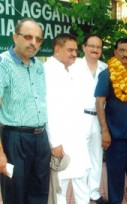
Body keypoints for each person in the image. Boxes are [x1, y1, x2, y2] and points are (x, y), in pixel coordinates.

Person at [0, 18, 50, 204]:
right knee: (15, 193)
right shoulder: (3, 64)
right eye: (28, 37)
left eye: (38, 39)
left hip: (41, 139)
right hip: (15, 140)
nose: (34, 43)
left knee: (39, 191)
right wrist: (0, 152)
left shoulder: (39, 66)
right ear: (15, 37)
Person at [95, 38, 127, 204]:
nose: (125, 54)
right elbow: (100, 102)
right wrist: (105, 131)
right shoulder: (107, 74)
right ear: (115, 52)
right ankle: (116, 201)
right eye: (122, 50)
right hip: (116, 134)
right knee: (116, 172)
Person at [44, 33, 91, 203]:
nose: (74, 54)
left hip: (77, 138)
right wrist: (54, 142)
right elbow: (48, 110)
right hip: (61, 141)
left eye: (75, 50)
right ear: (57, 50)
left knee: (81, 180)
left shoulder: (71, 69)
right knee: (60, 185)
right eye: (69, 50)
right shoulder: (47, 71)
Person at [71, 34, 109, 204]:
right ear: (84, 47)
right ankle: (82, 196)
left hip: (99, 119)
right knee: (80, 158)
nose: (95, 49)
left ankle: (94, 192)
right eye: (91, 46)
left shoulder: (106, 68)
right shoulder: (73, 66)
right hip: (80, 117)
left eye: (98, 47)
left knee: (96, 156)